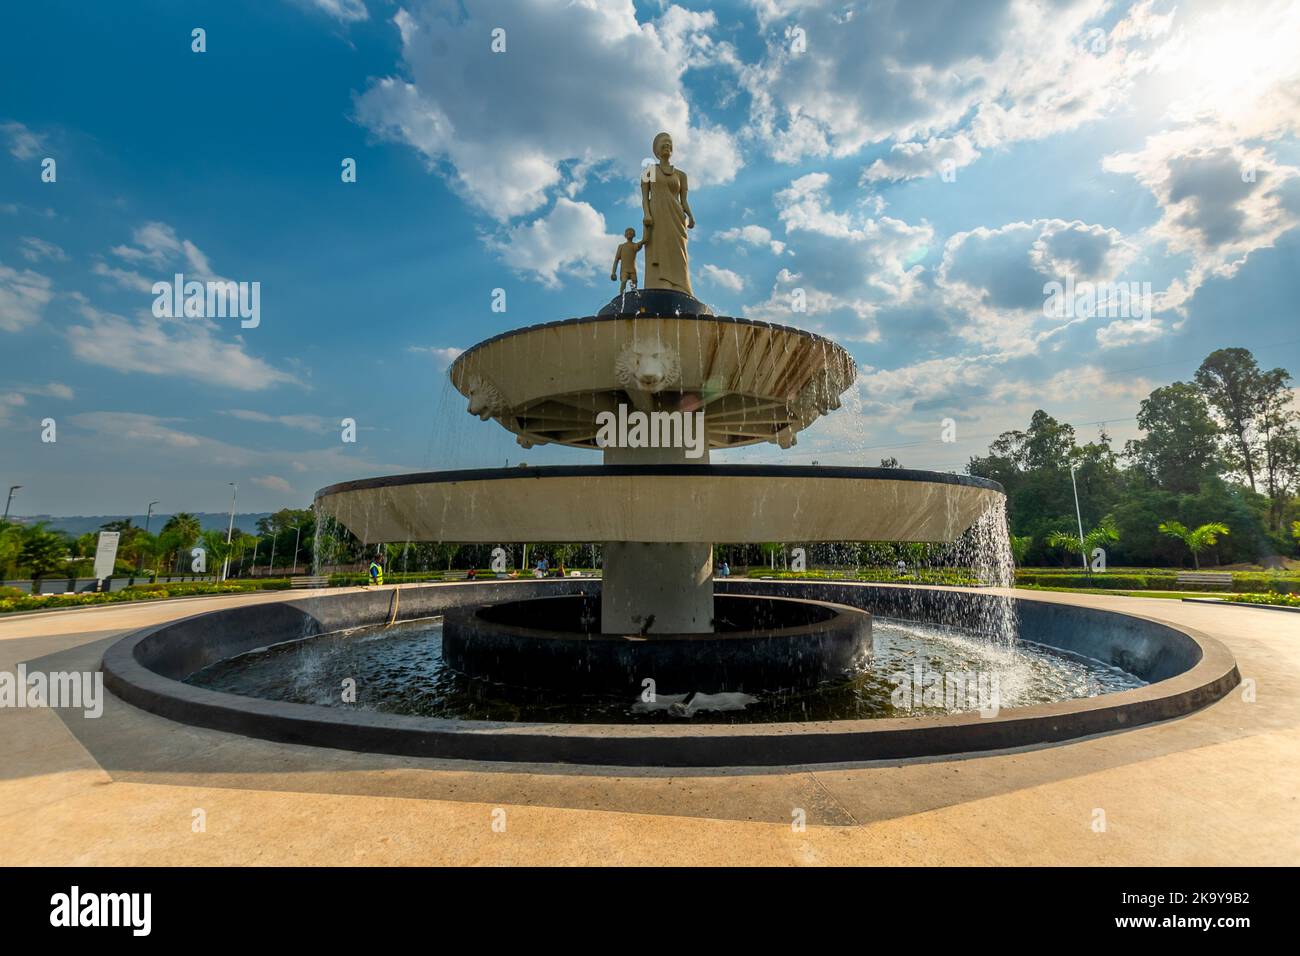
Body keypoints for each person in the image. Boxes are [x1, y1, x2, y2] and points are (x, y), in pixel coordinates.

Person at [640, 131, 695, 295]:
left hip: (677, 217)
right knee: (658, 246)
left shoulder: (681, 175)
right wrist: (647, 214)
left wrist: (691, 216)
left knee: (679, 253)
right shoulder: (649, 171)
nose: (666, 146)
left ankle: (681, 287)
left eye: (669, 144)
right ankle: (659, 284)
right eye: (663, 144)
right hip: (657, 215)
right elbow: (644, 197)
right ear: (656, 150)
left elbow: (684, 200)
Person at [610, 228, 645, 295]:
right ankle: (621, 296)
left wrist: (647, 229)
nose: (629, 233)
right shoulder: (621, 246)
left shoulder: (634, 245)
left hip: (632, 270)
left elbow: (643, 241)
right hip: (624, 270)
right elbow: (616, 260)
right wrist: (613, 272)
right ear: (625, 235)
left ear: (634, 235)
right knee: (624, 281)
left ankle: (634, 297)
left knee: (634, 284)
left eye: (631, 232)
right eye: (627, 232)